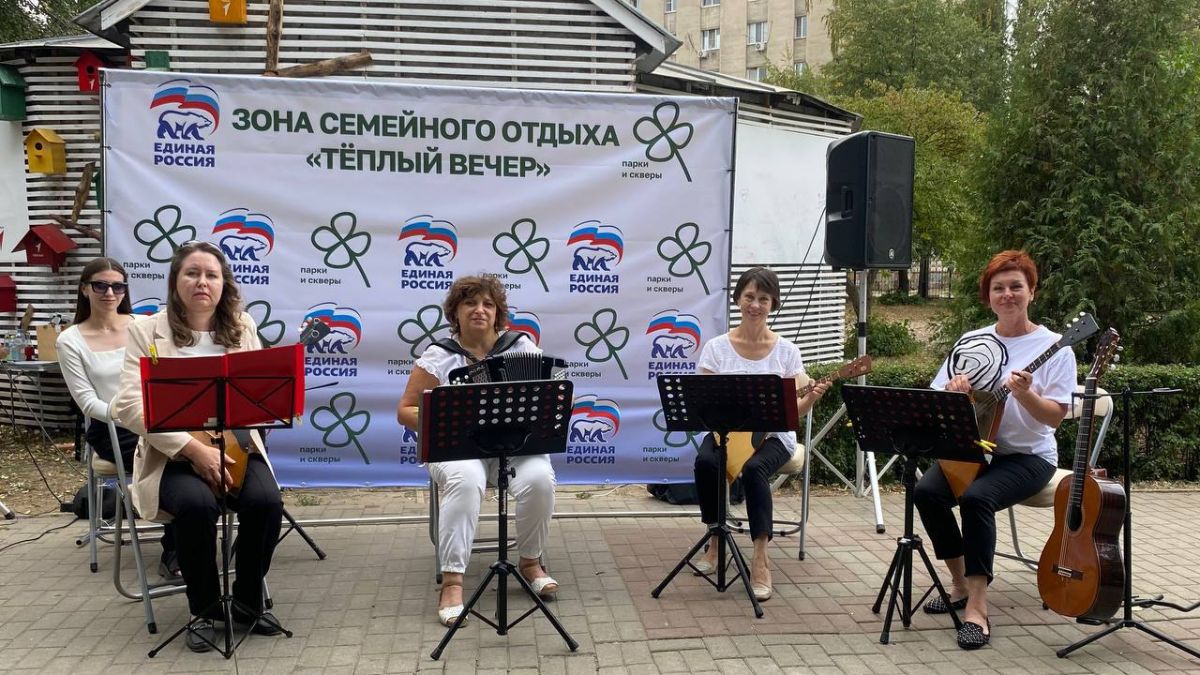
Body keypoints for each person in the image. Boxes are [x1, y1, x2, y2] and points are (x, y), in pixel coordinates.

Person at [113, 241, 284, 653]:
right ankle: (204, 609)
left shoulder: (243, 326)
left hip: (235, 447)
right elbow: (128, 405)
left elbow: (258, 389)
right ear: (176, 281)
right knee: (195, 506)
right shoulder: (145, 331)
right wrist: (192, 448)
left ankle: (246, 603)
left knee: (267, 502)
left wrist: (270, 405)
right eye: (192, 273)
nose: (202, 282)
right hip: (172, 453)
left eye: (211, 275)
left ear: (224, 284)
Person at [913, 250, 1076, 650]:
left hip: (1028, 457)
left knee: (977, 498)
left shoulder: (1056, 347)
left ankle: (978, 608)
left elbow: (1054, 418)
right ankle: (959, 583)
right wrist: (954, 391)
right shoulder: (972, 341)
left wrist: (1026, 394)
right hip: (974, 449)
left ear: (1032, 292)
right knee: (927, 493)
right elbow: (939, 397)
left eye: (1016, 286)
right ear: (988, 296)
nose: (1007, 295)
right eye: (998, 288)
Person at [396, 274, 558, 627]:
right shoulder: (440, 356)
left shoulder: (521, 347)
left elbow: (549, 396)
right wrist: (444, 419)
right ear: (455, 312)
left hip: (513, 446)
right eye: (470, 303)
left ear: (498, 312)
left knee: (541, 479)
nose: (479, 310)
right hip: (458, 447)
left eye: (488, 304)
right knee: (466, 480)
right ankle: (453, 582)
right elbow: (406, 410)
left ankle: (530, 562)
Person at [692, 266, 829, 602]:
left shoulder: (787, 351)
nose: (755, 305)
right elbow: (704, 404)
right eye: (749, 297)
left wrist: (811, 397)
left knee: (754, 470)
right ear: (738, 299)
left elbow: (794, 413)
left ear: (773, 304)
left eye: (764, 299)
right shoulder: (716, 348)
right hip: (727, 433)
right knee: (706, 462)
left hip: (773, 437)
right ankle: (715, 539)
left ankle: (760, 558)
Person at [57, 258, 180, 580]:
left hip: (161, 418)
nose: (109, 293)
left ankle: (190, 539)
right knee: (174, 460)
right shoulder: (70, 340)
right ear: (84, 289)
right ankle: (177, 550)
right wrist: (130, 414)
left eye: (117, 286)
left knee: (189, 453)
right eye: (100, 285)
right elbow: (87, 402)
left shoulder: (144, 324)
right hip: (113, 427)